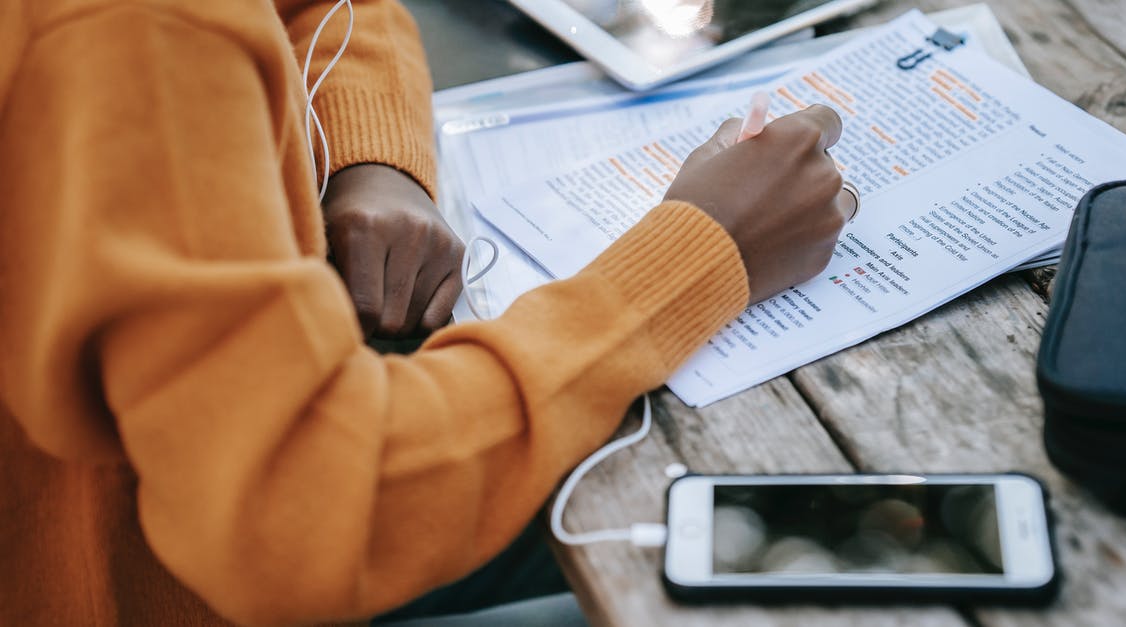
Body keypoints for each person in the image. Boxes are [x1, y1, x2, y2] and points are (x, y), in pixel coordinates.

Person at [0, 1, 853, 625]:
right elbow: (302, 518)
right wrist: (702, 255)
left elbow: (328, 9)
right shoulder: (127, 35)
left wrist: (369, 160)